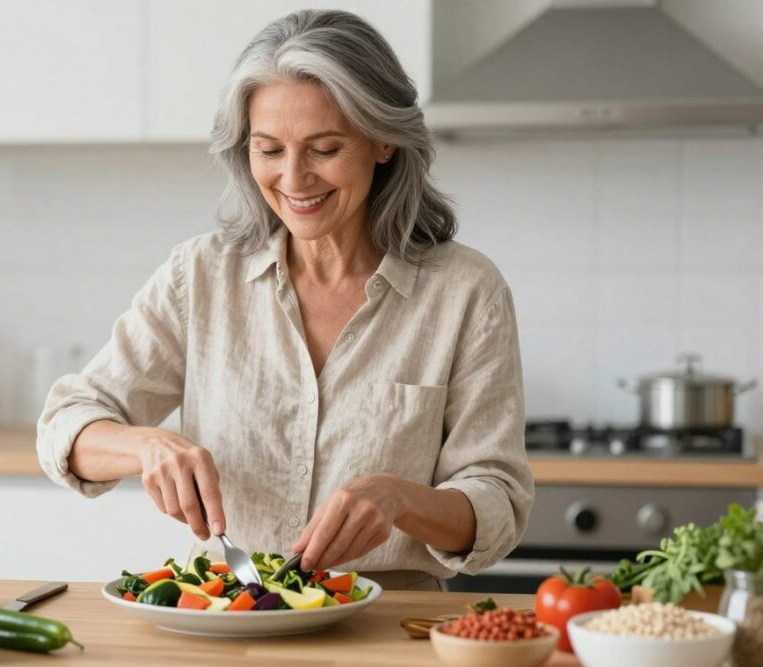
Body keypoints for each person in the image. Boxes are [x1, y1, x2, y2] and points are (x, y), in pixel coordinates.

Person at [38, 9, 533, 591]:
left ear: (382, 142)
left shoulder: (467, 292)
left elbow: (497, 500)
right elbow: (66, 426)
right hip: (228, 620)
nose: (294, 180)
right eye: (269, 150)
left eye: (323, 149)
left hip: (386, 632)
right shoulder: (199, 276)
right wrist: (146, 447)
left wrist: (400, 500)